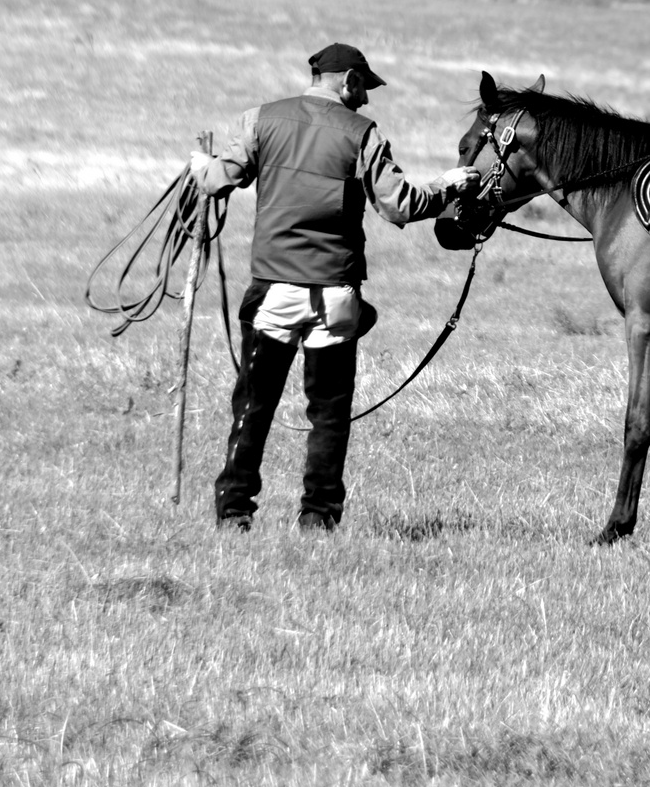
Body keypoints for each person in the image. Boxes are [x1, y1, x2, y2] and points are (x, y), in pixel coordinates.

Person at [190, 43, 480, 532]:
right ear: (347, 80)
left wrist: (200, 164)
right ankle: (319, 518)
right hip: (336, 294)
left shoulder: (260, 119)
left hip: (274, 290)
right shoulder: (362, 133)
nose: (366, 99)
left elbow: (220, 180)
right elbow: (400, 206)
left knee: (253, 406)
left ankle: (235, 511)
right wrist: (448, 184)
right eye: (364, 86)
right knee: (329, 413)